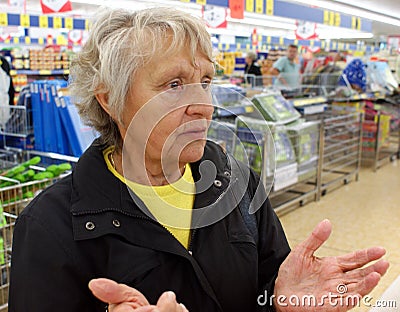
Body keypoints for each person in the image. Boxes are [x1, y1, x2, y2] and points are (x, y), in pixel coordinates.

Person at [9, 7, 389, 312]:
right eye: (174, 85)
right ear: (111, 100)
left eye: (205, 82)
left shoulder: (239, 186)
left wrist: (280, 303)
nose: (204, 107)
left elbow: (268, 288)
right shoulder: (50, 227)